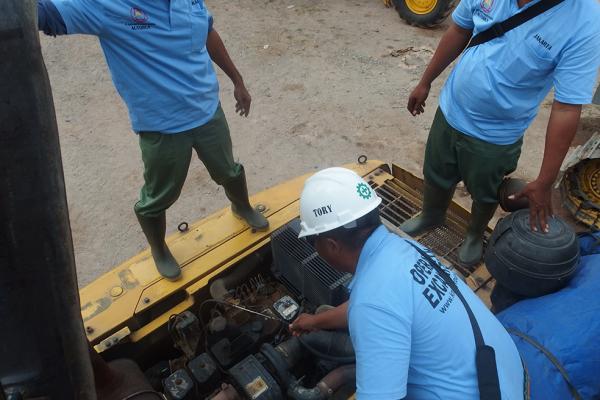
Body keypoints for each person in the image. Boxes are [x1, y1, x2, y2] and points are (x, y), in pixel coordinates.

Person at [37, 0, 269, 280]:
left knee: (227, 169)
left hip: (208, 111)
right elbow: (44, 14)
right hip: (162, 127)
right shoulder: (106, 6)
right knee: (159, 195)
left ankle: (241, 205)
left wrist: (237, 80)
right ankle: (159, 248)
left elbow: (207, 31)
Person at [290, 167, 525, 399]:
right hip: (507, 377)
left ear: (331, 245)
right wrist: (316, 321)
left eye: (312, 241)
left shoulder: (373, 300)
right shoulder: (404, 249)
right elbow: (382, 306)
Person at [401, 0, 600, 265]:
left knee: (485, 192)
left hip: (495, 136)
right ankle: (431, 215)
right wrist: (425, 82)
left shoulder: (585, 21)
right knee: (436, 174)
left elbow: (566, 108)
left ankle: (474, 233)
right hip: (450, 111)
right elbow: (460, 30)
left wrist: (544, 181)